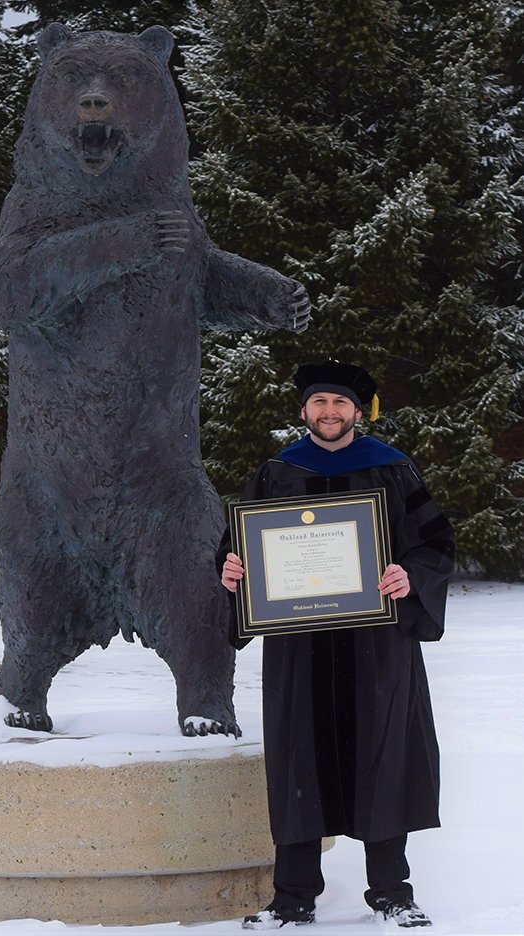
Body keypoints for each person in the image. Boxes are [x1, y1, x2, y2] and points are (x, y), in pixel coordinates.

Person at [218, 360, 454, 930]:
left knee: (383, 755)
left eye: (340, 404)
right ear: (303, 411)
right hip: (299, 648)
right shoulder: (276, 473)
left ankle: (393, 893)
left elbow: (435, 543)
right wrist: (229, 571)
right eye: (319, 403)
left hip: (377, 645)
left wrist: (408, 575)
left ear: (357, 412)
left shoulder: (393, 471)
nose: (329, 413)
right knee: (299, 757)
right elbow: (240, 550)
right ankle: (292, 898)